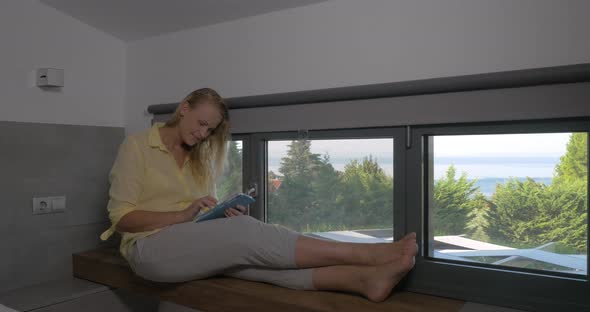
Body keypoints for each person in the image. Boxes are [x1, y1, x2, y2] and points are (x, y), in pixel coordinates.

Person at [99, 88, 417, 303]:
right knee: (246, 233)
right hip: (148, 251)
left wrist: (221, 213)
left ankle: (362, 282)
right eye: (201, 123)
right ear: (183, 109)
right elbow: (122, 219)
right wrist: (182, 216)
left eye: (210, 130)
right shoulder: (137, 147)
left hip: (190, 244)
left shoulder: (200, 158)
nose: (203, 134)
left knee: (263, 264)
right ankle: (370, 254)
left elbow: (202, 213)